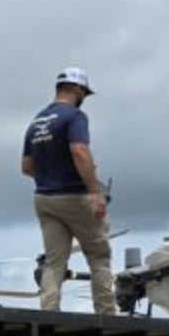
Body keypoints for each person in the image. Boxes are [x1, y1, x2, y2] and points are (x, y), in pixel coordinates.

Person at [21, 66, 117, 314]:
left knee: (54, 261)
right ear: (76, 88)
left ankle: (49, 313)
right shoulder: (75, 116)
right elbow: (79, 150)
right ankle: (107, 315)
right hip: (75, 197)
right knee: (99, 256)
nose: (84, 96)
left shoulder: (36, 121)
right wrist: (95, 191)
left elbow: (27, 167)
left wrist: (52, 175)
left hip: (44, 199)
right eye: (84, 92)